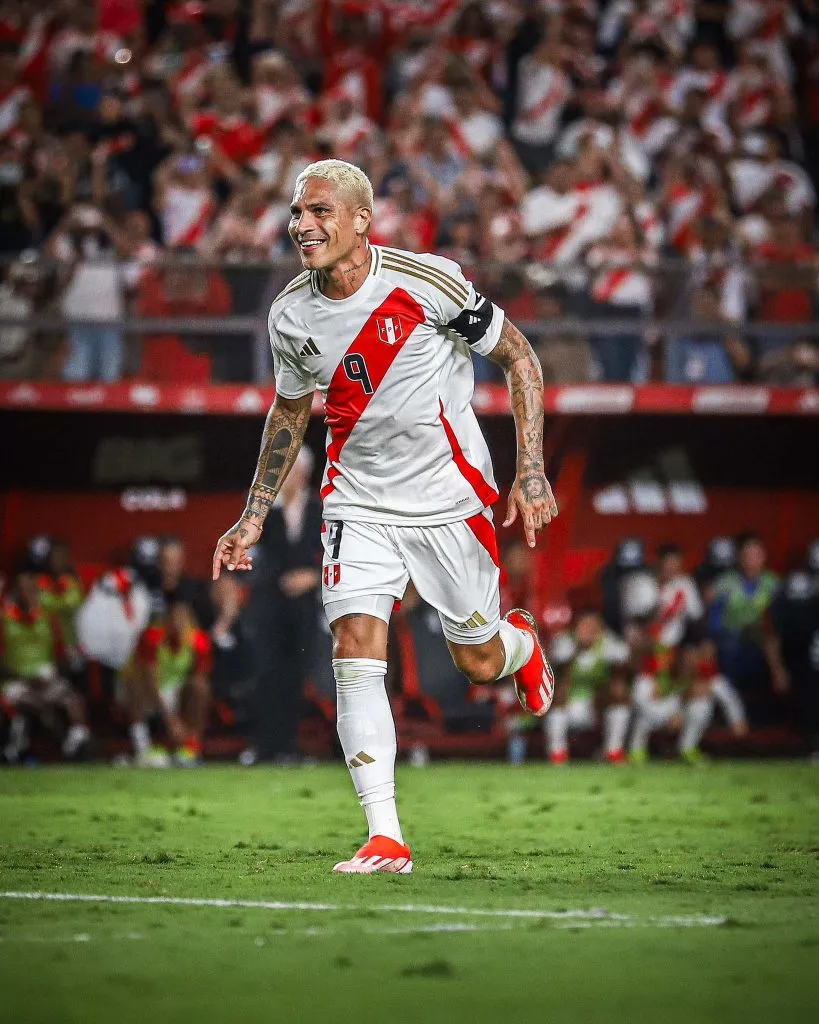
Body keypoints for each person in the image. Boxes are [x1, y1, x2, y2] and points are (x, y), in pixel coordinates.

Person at [212, 158, 558, 875]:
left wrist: (529, 472)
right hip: (357, 500)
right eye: (296, 214)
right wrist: (252, 515)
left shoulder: (426, 280)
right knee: (355, 646)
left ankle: (518, 645)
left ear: (360, 220)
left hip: (449, 500)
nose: (302, 225)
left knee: (478, 659)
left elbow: (520, 359)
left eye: (319, 212)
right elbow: (290, 409)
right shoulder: (290, 314)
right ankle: (386, 834)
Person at [243, 447, 323, 764]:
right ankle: (263, 746)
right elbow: (252, 556)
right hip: (268, 607)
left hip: (303, 610)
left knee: (295, 677)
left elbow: (336, 553)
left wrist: (313, 577)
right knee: (266, 675)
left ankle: (288, 746)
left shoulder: (320, 508)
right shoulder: (262, 510)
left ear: (304, 473)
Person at [0, 572, 92, 763]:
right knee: (23, 703)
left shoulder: (49, 618)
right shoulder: (4, 619)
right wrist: (22, 677)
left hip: (46, 680)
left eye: (33, 589)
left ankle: (76, 745)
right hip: (15, 681)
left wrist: (53, 673)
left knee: (73, 700)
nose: (30, 594)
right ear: (15, 592)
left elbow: (61, 656)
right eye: (25, 590)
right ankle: (14, 749)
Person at [124, 599, 212, 767]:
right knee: (133, 682)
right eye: (175, 619)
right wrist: (171, 721)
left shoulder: (198, 641)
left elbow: (201, 677)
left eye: (183, 619)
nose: (179, 624)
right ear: (167, 621)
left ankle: (190, 748)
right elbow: (150, 681)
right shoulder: (152, 638)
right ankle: (142, 748)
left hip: (176, 691)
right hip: (150, 692)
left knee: (200, 688)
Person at [630, 640, 748, 764]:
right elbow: (639, 700)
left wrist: (737, 720)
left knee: (702, 703)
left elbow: (727, 695)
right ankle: (637, 751)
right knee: (642, 715)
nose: (689, 661)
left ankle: (688, 748)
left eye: (694, 657)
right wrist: (667, 717)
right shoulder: (661, 666)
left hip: (681, 714)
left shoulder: (705, 671)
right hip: (660, 712)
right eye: (686, 657)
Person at [546, 609, 632, 765]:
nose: (587, 631)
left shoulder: (606, 644)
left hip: (595, 707)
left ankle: (613, 750)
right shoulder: (566, 642)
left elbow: (625, 656)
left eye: (592, 627)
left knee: (619, 690)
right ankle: (558, 752)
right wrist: (577, 649)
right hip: (568, 705)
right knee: (557, 693)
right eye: (584, 626)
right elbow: (558, 661)